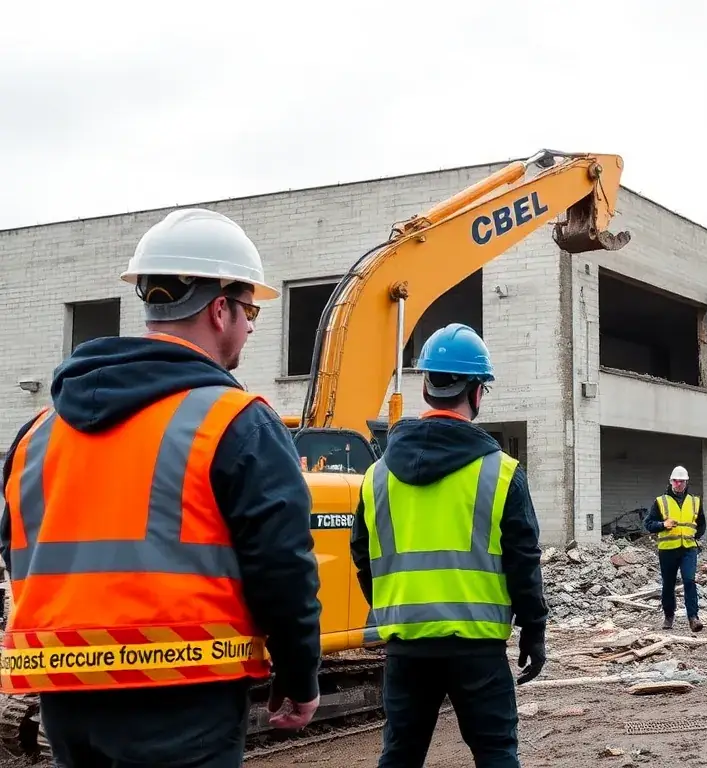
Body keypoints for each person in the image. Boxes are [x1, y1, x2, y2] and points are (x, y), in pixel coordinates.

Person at [0, 208, 322, 766]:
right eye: (250, 311)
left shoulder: (39, 431)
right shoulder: (235, 420)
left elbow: (19, 553)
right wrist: (300, 673)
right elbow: (282, 566)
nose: (249, 326)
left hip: (64, 696)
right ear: (220, 309)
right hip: (182, 696)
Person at [350, 323, 548, 768]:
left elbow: (363, 557)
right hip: (477, 648)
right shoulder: (501, 473)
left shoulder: (376, 476)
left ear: (427, 384)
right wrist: (533, 630)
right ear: (476, 392)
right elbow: (523, 561)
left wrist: (394, 609)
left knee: (399, 756)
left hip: (406, 645)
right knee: (496, 755)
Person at [643, 465, 707, 632]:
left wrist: (695, 536)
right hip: (668, 549)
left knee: (689, 581)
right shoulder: (661, 502)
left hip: (688, 549)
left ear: (686, 482)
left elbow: (701, 524)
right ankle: (669, 616)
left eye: (682, 481)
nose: (679, 484)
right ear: (671, 482)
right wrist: (663, 524)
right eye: (676, 481)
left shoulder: (695, 502)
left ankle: (693, 618)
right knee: (668, 585)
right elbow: (648, 524)